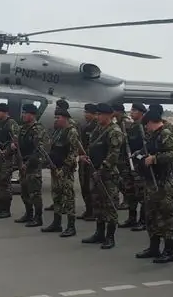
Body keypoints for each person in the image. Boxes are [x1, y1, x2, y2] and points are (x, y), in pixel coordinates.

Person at [135, 104, 173, 263]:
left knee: (165, 216)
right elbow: (148, 150)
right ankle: (154, 247)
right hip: (151, 182)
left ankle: (169, 250)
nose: (146, 128)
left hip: (162, 182)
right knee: (151, 215)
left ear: (151, 122)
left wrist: (155, 158)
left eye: (146, 125)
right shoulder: (153, 135)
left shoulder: (166, 133)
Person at [80, 103, 124, 249]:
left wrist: (102, 169)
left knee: (110, 205)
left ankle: (110, 237)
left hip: (108, 174)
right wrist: (86, 157)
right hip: (95, 170)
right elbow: (92, 146)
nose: (98, 117)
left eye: (100, 115)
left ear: (109, 115)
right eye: (97, 114)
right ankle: (99, 233)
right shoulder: (98, 129)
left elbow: (113, 154)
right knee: (97, 204)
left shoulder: (114, 131)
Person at [45, 107, 81, 236]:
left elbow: (73, 152)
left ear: (65, 119)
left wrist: (64, 169)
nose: (56, 120)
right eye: (55, 117)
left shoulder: (71, 132)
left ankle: (71, 226)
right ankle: (57, 223)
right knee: (56, 195)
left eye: (58, 118)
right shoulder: (57, 131)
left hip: (65, 170)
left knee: (68, 196)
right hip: (55, 168)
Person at [13, 103, 49, 227]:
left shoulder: (38, 129)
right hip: (23, 164)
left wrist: (28, 163)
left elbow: (39, 150)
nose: (23, 115)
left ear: (32, 115)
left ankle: (38, 217)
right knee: (24, 192)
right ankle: (28, 214)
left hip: (33, 165)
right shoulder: (23, 129)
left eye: (25, 113)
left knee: (35, 193)